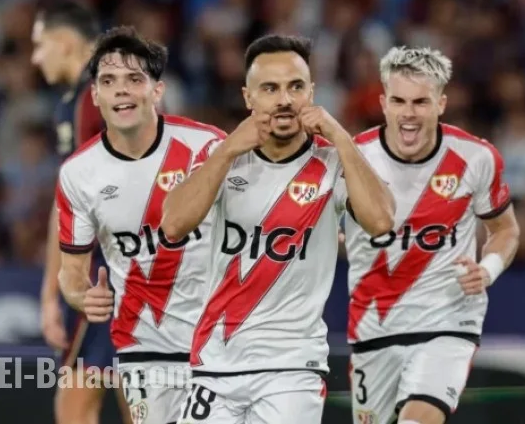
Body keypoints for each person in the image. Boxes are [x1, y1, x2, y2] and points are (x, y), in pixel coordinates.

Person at [160, 34, 395, 424]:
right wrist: (229, 148)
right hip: (216, 361)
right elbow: (173, 225)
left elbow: (382, 220)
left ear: (312, 93)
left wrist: (339, 136)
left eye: (295, 87)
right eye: (270, 88)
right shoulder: (221, 157)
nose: (284, 99)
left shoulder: (333, 162)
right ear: (248, 97)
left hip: (292, 367)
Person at [55, 26, 226, 424]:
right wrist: (82, 297)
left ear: (157, 90)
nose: (122, 90)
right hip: (142, 350)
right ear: (95, 95)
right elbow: (72, 274)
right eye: (109, 81)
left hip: (219, 344)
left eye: (135, 79)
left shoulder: (208, 147)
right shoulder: (79, 173)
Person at [342, 46, 520, 424]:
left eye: (421, 101)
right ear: (383, 102)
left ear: (441, 103)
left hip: (447, 321)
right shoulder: (351, 159)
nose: (409, 113)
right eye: (399, 101)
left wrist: (487, 269)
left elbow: (505, 230)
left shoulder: (476, 157)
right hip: (373, 326)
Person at [30, 0, 129, 424]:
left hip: (110, 275)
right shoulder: (79, 101)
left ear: (66, 43)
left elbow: (77, 204)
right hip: (117, 274)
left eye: (40, 45)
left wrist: (56, 290)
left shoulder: (98, 95)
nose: (35, 58)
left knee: (76, 406)